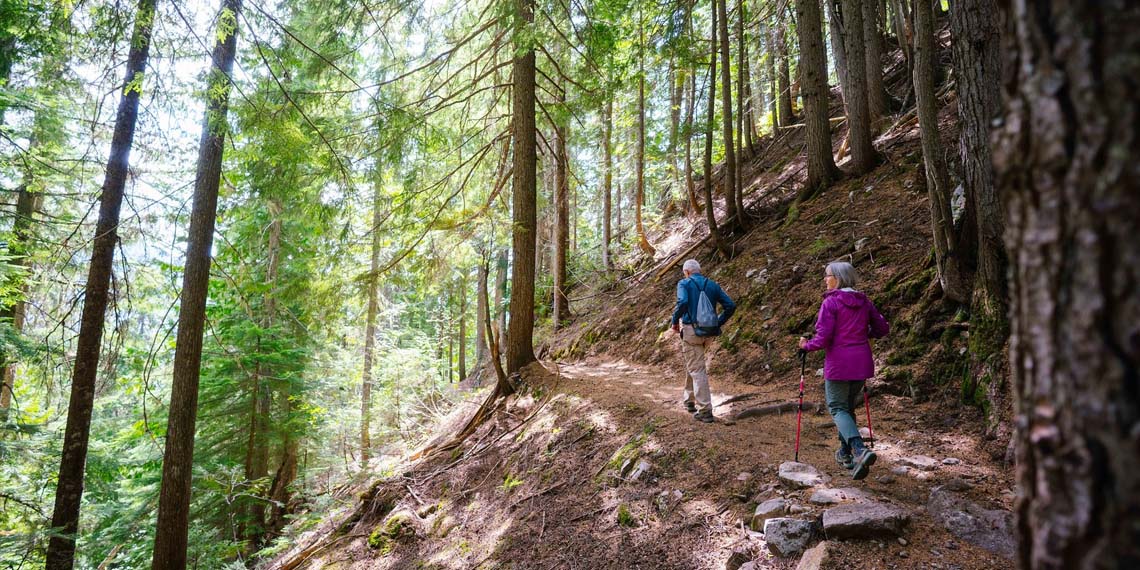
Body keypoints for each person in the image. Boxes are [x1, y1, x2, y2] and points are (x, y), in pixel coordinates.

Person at [798, 261, 889, 480]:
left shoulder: (832, 303)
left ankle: (859, 448)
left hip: (839, 363)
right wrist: (861, 333)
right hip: (861, 362)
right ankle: (846, 454)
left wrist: (805, 346)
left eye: (827, 276)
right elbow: (882, 328)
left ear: (838, 278)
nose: (825, 280)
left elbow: (823, 337)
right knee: (847, 408)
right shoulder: (864, 301)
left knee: (837, 407)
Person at [671, 259, 735, 423]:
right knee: (694, 364)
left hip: (692, 332)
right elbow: (730, 305)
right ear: (699, 270)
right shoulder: (712, 284)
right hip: (709, 333)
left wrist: (674, 320)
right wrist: (718, 322)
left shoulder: (684, 283)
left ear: (686, 272)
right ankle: (689, 400)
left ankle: (705, 409)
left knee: (697, 369)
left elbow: (683, 302)